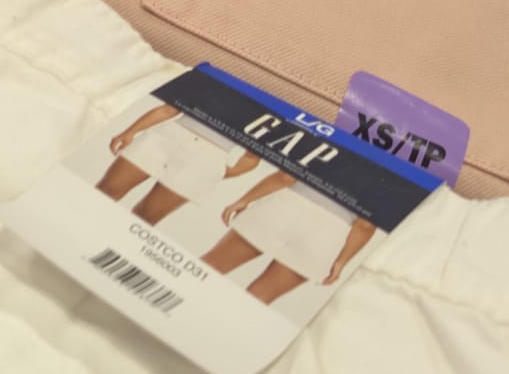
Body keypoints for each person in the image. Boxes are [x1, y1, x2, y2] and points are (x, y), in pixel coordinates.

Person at [199, 169, 378, 308]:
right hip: (329, 232)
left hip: (286, 206)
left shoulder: (340, 137)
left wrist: (244, 200)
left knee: (209, 266)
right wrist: (341, 261)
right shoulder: (393, 171)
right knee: (259, 297)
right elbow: (366, 225)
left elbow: (286, 177)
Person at [96, 101, 258, 227]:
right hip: (168, 136)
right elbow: (169, 108)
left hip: (210, 155)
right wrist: (130, 131)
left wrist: (221, 171)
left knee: (146, 216)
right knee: (107, 190)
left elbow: (253, 156)